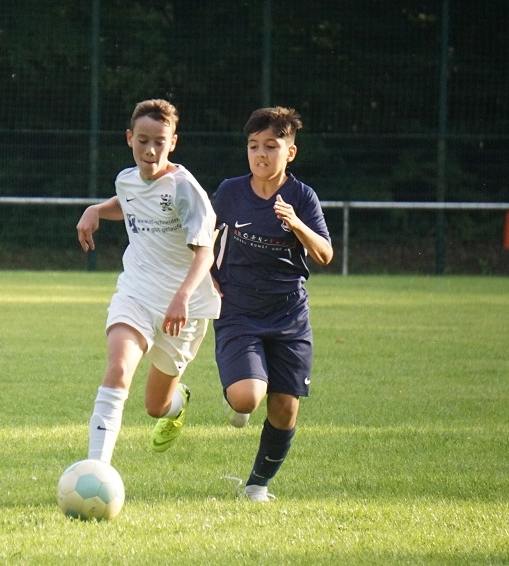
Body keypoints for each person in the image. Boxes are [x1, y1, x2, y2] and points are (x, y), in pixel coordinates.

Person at [75, 99, 220, 465]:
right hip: (136, 294)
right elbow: (130, 202)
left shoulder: (185, 189)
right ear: (129, 138)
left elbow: (205, 252)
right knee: (118, 369)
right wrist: (95, 210)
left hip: (183, 309)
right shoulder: (126, 180)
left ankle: (178, 402)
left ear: (173, 142)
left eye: (159, 141)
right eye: (142, 141)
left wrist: (182, 297)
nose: (150, 150)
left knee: (155, 407)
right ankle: (97, 469)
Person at [210, 107, 333, 502]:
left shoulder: (302, 197)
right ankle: (238, 395)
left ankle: (256, 486)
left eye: (270, 146)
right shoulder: (230, 192)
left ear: (290, 152)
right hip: (239, 309)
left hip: (288, 314)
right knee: (247, 397)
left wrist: (296, 224)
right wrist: (207, 278)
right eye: (253, 146)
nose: (260, 154)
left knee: (285, 407)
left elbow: (325, 254)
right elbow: (202, 239)